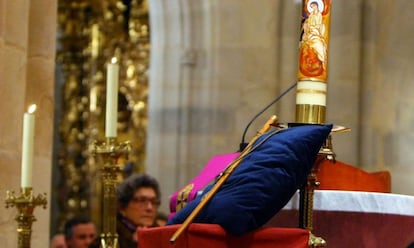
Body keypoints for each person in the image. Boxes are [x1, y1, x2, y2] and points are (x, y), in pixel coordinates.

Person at [116, 173, 161, 247]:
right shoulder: (108, 239)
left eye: (154, 202)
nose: (149, 208)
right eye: (142, 201)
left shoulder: (164, 237)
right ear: (122, 208)